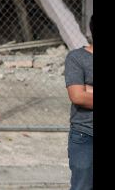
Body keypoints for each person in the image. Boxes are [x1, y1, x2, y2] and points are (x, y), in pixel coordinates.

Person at [64, 14, 93, 190]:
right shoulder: (76, 57)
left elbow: (83, 94)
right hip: (85, 135)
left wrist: (88, 89)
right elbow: (78, 96)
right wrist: (82, 92)